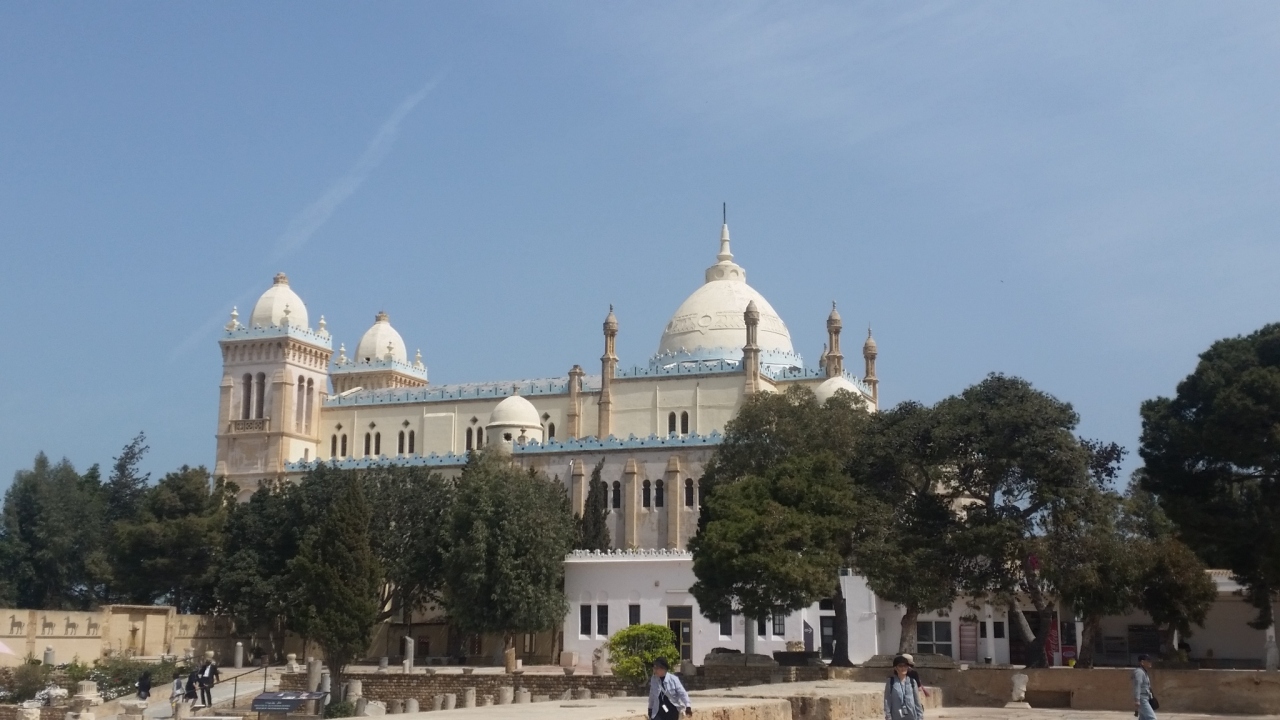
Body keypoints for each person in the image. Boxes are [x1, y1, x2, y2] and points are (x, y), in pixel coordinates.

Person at [885, 655, 924, 720]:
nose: (903, 668)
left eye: (905, 666)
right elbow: (887, 700)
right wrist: (888, 716)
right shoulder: (891, 682)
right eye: (900, 666)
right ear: (895, 668)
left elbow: (917, 701)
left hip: (912, 716)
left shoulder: (912, 682)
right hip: (896, 716)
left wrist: (920, 716)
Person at [1133, 654, 1157, 720]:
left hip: (1145, 697)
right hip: (1142, 698)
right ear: (1142, 662)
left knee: (1143, 718)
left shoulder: (1143, 672)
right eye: (1148, 661)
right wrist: (1137, 700)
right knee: (1152, 718)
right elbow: (1137, 685)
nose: (1150, 662)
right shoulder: (1139, 672)